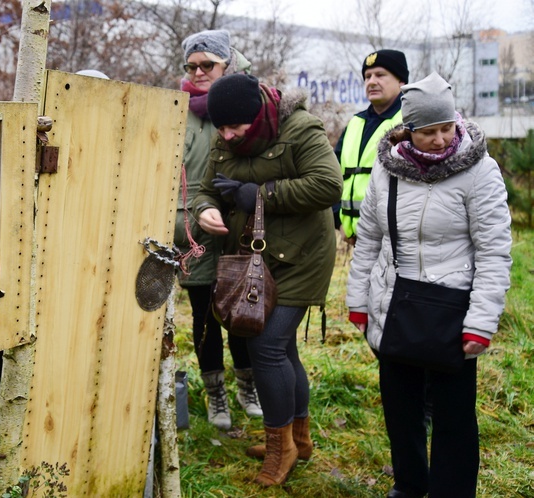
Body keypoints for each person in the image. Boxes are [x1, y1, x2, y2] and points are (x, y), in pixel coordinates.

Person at [346, 72, 512, 498]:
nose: (440, 140)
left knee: (454, 418)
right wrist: (358, 300)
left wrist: (481, 323)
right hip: (395, 305)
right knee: (400, 410)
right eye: (428, 132)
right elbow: (368, 240)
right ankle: (409, 485)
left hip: (452, 312)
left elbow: (494, 252)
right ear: (409, 130)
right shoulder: (388, 171)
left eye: (446, 128)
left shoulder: (480, 171)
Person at [194, 73, 342, 486]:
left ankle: (281, 449)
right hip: (255, 259)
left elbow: (329, 185)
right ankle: (298, 436)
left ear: (257, 112)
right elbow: (207, 190)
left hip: (302, 257)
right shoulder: (224, 139)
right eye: (220, 127)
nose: (227, 135)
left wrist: (258, 194)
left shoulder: (299, 128)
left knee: (266, 345)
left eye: (233, 126)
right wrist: (206, 209)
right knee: (281, 347)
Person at [175, 29, 261, 429]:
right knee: (204, 316)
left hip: (243, 225)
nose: (199, 72)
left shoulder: (249, 99)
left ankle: (249, 387)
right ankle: (215, 396)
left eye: (207, 64)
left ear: (227, 63)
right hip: (194, 231)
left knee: (243, 311)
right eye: (192, 66)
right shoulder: (177, 110)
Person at [335, 49, 408, 245]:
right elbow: (329, 176)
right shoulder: (354, 124)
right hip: (356, 240)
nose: (372, 81)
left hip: (394, 239)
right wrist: (338, 221)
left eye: (380, 75)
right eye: (367, 76)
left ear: (402, 82)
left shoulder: (410, 122)